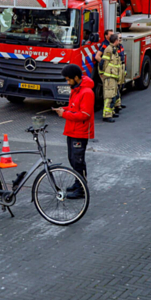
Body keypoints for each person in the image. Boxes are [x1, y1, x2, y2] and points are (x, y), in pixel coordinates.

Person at [52, 63, 94, 199]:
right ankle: (78, 182)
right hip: (72, 130)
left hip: (80, 131)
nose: (67, 82)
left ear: (76, 77)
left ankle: (81, 189)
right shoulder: (76, 89)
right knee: (72, 158)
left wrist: (64, 114)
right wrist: (64, 109)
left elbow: (85, 115)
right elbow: (74, 107)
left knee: (78, 160)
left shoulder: (87, 92)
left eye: (69, 79)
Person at [99, 33, 122, 121]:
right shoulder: (109, 49)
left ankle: (111, 112)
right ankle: (107, 115)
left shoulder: (113, 49)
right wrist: (103, 73)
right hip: (109, 77)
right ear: (115, 41)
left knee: (113, 95)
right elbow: (103, 63)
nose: (119, 41)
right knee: (109, 96)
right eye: (118, 39)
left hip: (113, 76)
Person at [115, 33, 127, 111]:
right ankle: (116, 105)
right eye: (118, 38)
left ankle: (119, 103)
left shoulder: (121, 46)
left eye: (121, 38)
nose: (120, 39)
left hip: (122, 67)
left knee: (121, 86)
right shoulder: (114, 48)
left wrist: (125, 70)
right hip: (117, 68)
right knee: (116, 87)